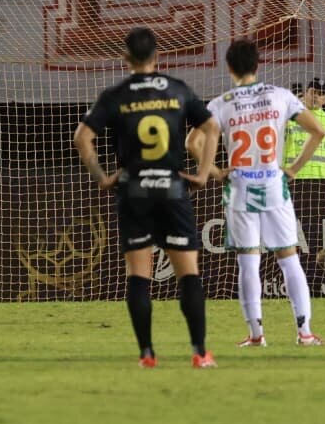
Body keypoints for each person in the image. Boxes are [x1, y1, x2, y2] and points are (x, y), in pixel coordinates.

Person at [73, 27, 220, 369]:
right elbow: (212, 127)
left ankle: (147, 354)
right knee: (189, 274)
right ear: (158, 57)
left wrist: (102, 178)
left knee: (139, 275)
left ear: (125, 58)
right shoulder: (178, 89)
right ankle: (200, 352)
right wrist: (202, 172)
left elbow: (82, 138)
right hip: (172, 188)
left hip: (134, 190)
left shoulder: (115, 94)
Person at [207, 40, 325, 349]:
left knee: (248, 264)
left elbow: (193, 142)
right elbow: (318, 131)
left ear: (229, 67)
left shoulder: (221, 103)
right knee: (289, 259)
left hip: (240, 187)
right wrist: (294, 168)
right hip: (274, 185)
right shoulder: (280, 96)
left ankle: (256, 335)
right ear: (258, 65)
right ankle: (305, 332)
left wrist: (215, 170)